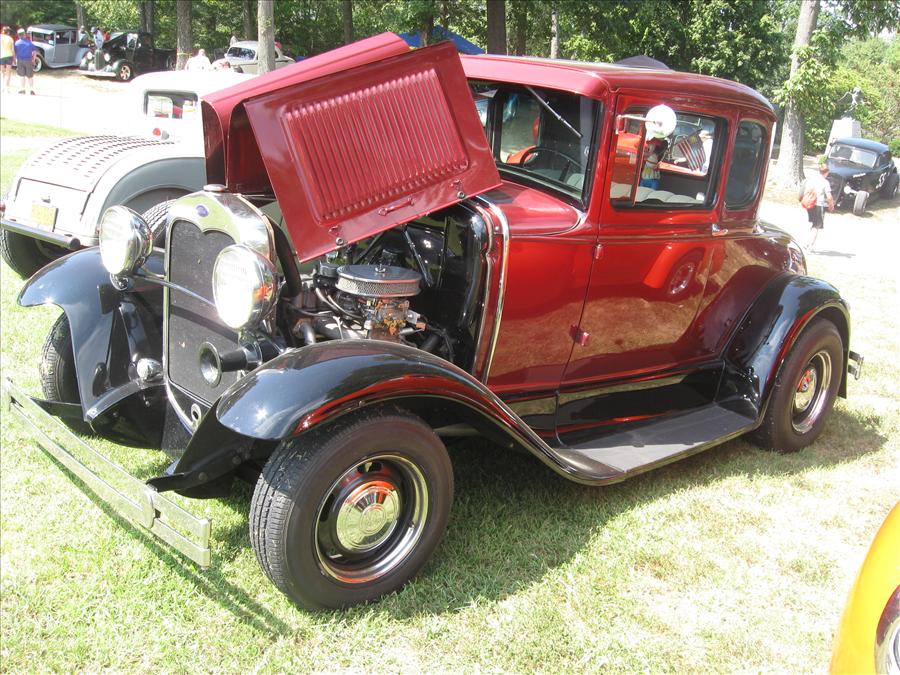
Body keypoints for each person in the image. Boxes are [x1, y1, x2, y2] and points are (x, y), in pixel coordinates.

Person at [800, 159, 834, 252]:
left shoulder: (813, 179)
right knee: (816, 226)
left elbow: (806, 190)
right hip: (819, 205)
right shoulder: (825, 182)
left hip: (810, 205)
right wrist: (831, 205)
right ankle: (809, 246)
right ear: (826, 172)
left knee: (813, 224)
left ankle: (807, 242)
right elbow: (829, 197)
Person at [13, 28, 36, 95]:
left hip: (20, 61)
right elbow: (34, 52)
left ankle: (23, 90)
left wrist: (14, 60)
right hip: (28, 60)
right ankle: (31, 90)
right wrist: (33, 60)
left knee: (22, 76)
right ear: (24, 34)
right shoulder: (29, 43)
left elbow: (14, 52)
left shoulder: (16, 43)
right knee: (30, 76)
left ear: (18, 35)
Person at [1, 26, 14, 93]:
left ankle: (3, 87)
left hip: (1, 56)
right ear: (8, 32)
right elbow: (12, 50)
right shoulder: (10, 39)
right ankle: (7, 88)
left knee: (2, 72)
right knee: (8, 72)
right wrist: (14, 58)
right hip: (9, 56)